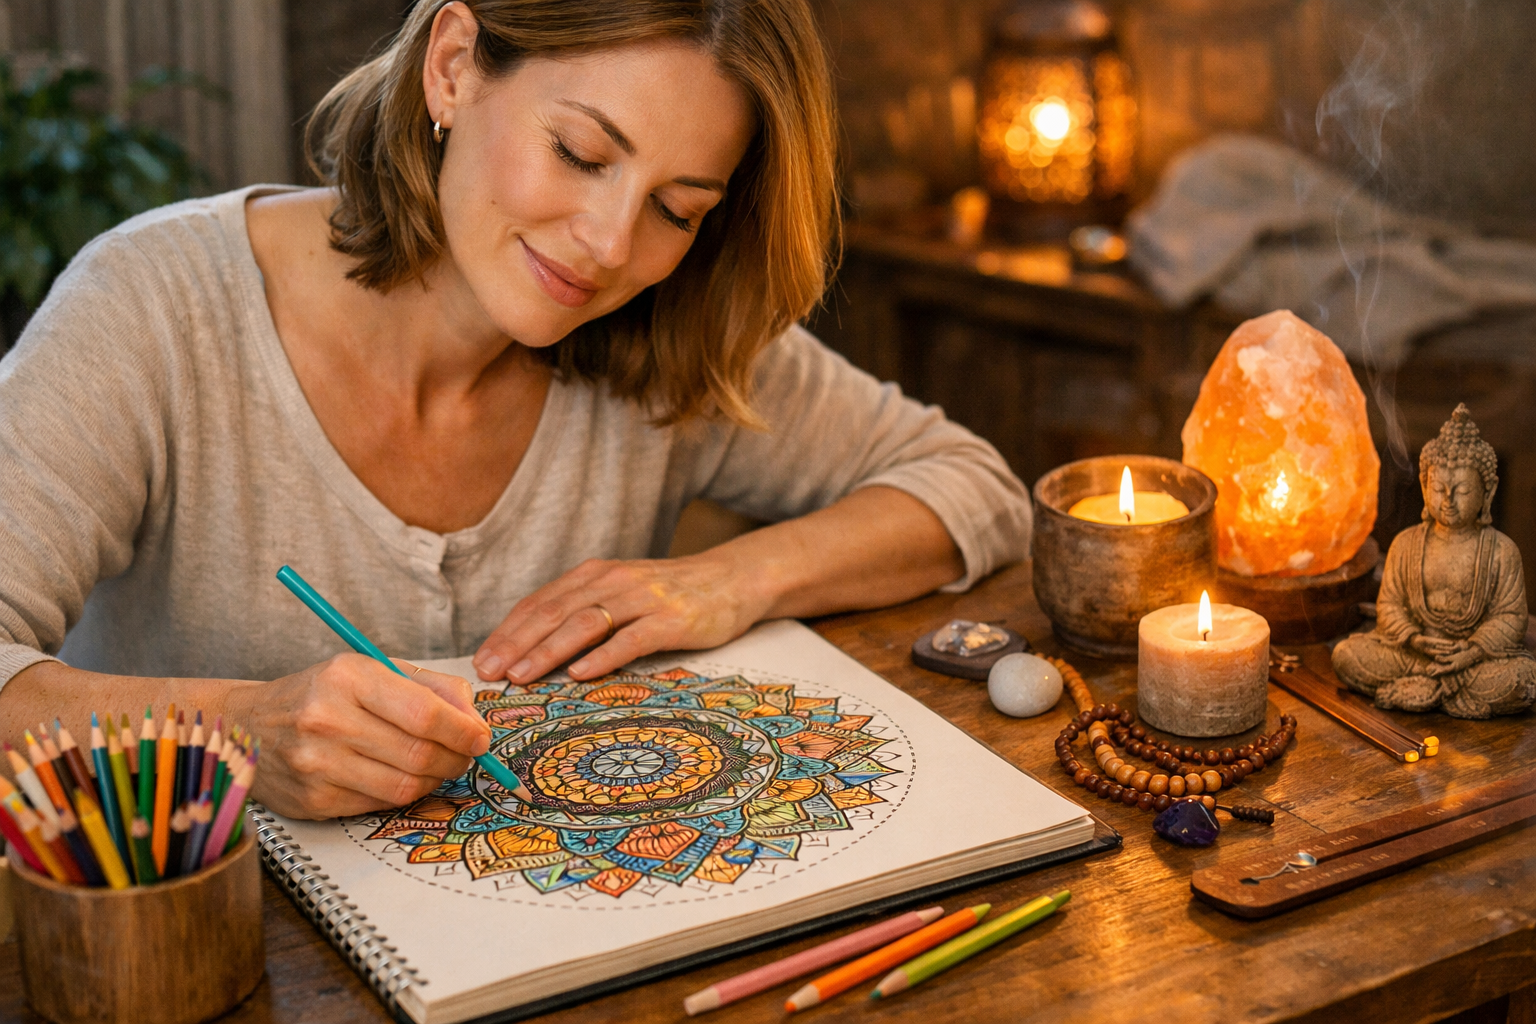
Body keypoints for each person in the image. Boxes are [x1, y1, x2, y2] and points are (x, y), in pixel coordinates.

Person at [0, 0, 1029, 818]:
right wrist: (234, 731)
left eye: (679, 208)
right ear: (452, 65)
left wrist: (728, 580)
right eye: (581, 154)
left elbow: (975, 491)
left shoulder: (664, 333)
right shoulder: (153, 307)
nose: (611, 244)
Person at [1332, 405, 1535, 718]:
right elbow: (1389, 607)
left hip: (1474, 661)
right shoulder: (1406, 543)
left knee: (1523, 679)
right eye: (1439, 488)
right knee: (1346, 655)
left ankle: (1424, 688)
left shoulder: (1500, 551)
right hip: (1417, 654)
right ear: (1425, 486)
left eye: (1463, 490)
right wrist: (1415, 638)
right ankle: (1438, 685)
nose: (1448, 500)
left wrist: (1473, 651)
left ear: (1488, 491)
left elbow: (1510, 617)